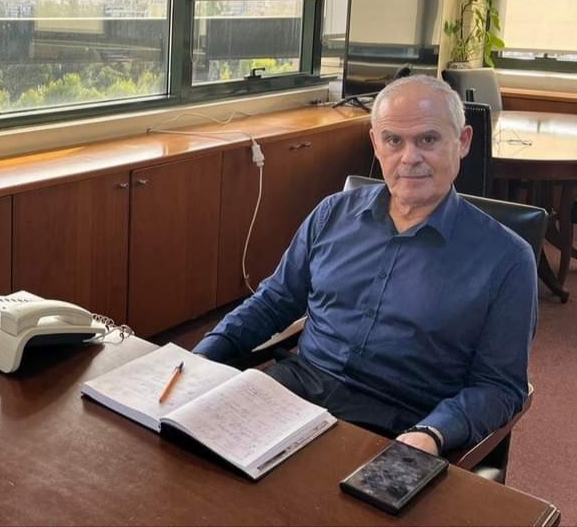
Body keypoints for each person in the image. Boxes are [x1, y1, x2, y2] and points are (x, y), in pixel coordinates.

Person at [193, 75, 537, 456]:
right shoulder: (331, 214)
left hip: (401, 426)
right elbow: (274, 301)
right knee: (184, 458)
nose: (409, 158)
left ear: (463, 141)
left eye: (428, 139)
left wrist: (434, 433)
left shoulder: (507, 259)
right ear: (375, 144)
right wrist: (201, 356)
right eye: (394, 141)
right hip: (293, 395)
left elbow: (499, 386)